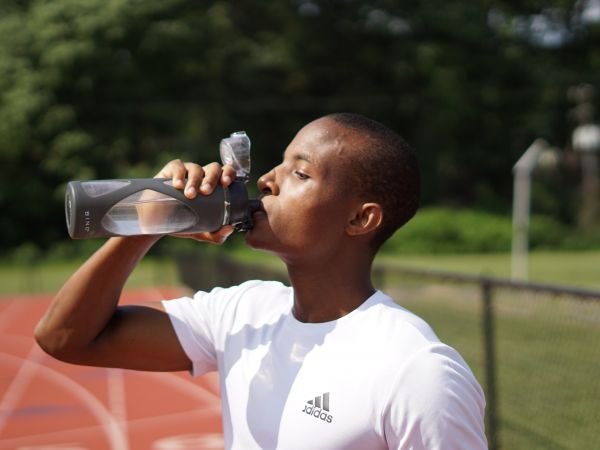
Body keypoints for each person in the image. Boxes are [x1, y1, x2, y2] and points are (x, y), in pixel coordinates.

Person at [35, 113, 488, 449]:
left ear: (359, 218)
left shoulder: (416, 369)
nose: (268, 181)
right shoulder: (244, 311)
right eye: (278, 164)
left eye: (300, 173)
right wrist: (152, 218)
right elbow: (65, 337)